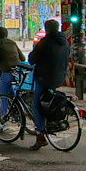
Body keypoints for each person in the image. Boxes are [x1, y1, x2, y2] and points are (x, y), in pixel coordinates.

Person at [27, 19, 72, 150]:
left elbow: (32, 59)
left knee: (36, 105)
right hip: (59, 77)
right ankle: (50, 123)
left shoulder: (45, 42)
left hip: (45, 78)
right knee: (49, 101)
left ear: (46, 29)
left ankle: (40, 135)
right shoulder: (64, 42)